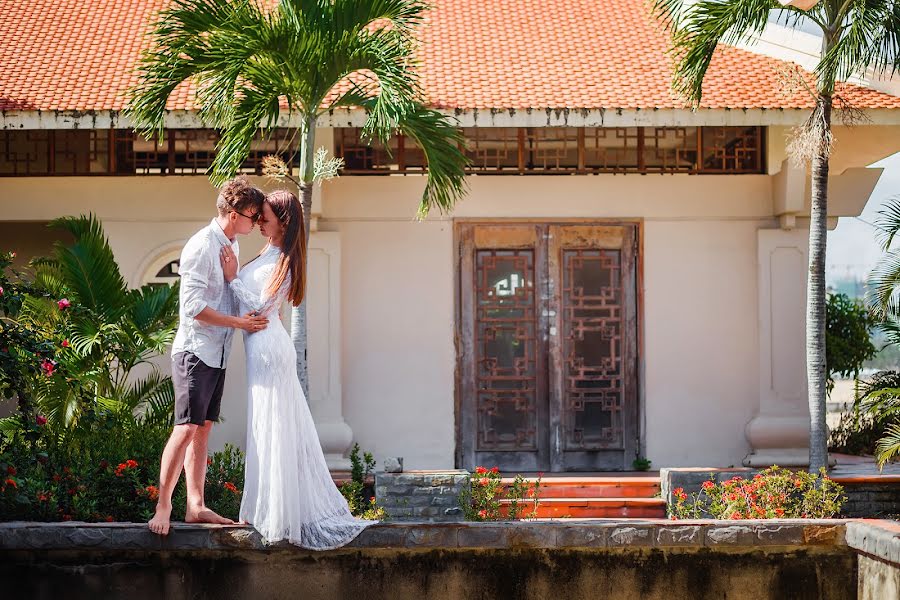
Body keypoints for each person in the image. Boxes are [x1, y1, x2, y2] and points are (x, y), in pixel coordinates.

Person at [220, 189, 374, 549]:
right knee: (264, 424)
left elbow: (261, 306)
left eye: (266, 216)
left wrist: (231, 278)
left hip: (270, 347)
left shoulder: (285, 261)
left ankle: (277, 513)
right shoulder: (266, 253)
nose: (260, 221)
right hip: (259, 346)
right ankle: (263, 507)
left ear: (283, 221)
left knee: (274, 425)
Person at [149, 176, 269, 536]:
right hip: (194, 351)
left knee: (202, 429)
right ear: (235, 214)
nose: (257, 222)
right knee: (185, 427)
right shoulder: (202, 246)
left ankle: (195, 506)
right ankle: (163, 507)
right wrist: (240, 323)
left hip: (216, 353)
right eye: (253, 216)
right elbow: (193, 307)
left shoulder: (231, 243)